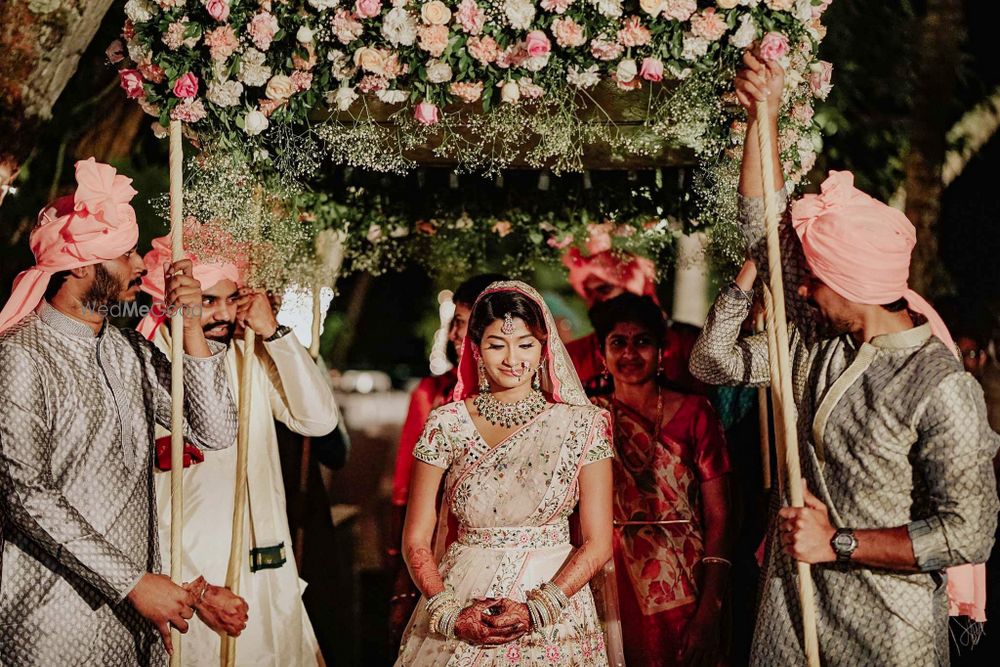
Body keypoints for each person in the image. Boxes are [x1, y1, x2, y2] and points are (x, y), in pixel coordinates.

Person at [689, 53, 999, 665]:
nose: (801, 289)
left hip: (889, 627)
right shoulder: (815, 339)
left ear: (854, 285)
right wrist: (763, 115)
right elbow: (763, 234)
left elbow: (970, 531)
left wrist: (841, 543)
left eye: (816, 280)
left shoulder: (940, 386)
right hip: (794, 606)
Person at [0, 159, 243, 665]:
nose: (139, 267)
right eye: (125, 254)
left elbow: (217, 431)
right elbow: (26, 496)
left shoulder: (126, 349)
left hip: (136, 619)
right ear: (82, 266)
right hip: (53, 620)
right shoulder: (19, 356)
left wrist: (192, 325)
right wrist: (132, 581)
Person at [138, 230, 340, 666]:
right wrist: (197, 590)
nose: (223, 314)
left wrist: (274, 332)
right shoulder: (146, 362)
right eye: (208, 300)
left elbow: (319, 419)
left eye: (231, 299)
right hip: (188, 584)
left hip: (266, 578)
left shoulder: (248, 353)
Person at [395, 281, 617, 666]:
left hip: (555, 605)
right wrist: (449, 613)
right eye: (497, 344)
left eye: (526, 344)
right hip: (462, 597)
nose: (513, 358)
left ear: (544, 346)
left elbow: (598, 542)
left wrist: (538, 610)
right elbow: (416, 537)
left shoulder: (583, 425)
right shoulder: (446, 424)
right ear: (475, 349)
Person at [589, 294, 732, 667]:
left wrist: (710, 609)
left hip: (685, 577)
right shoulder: (588, 417)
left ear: (662, 350)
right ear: (602, 352)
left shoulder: (695, 412)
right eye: (618, 342)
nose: (630, 353)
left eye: (642, 341)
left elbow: (719, 514)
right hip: (611, 575)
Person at [388, 273, 506, 645]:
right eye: (453, 323)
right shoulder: (434, 398)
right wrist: (404, 582)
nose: (454, 335)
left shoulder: (541, 408)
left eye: (462, 323)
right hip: (440, 557)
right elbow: (406, 494)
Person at [562, 247, 703, 395]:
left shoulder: (688, 342)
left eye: (604, 289)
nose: (594, 300)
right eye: (588, 292)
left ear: (633, 287)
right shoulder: (573, 354)